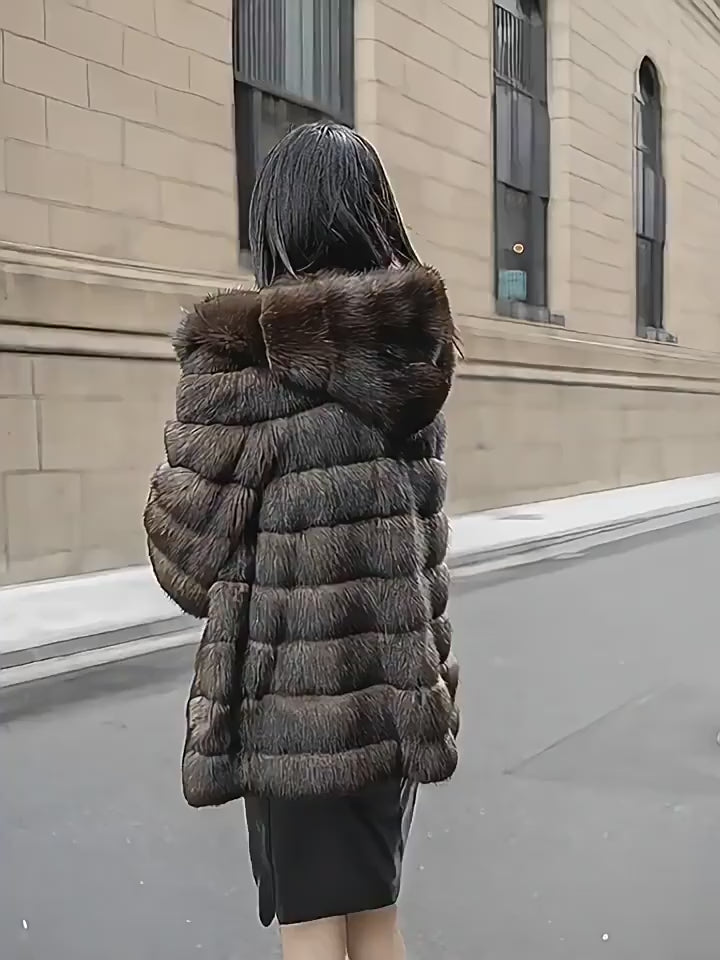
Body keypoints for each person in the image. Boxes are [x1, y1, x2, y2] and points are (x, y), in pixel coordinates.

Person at [143, 122, 460, 960]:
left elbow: (185, 563)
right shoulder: (408, 357)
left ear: (277, 223)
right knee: (376, 920)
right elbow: (424, 550)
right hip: (396, 701)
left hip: (294, 717)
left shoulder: (246, 367)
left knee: (314, 932)